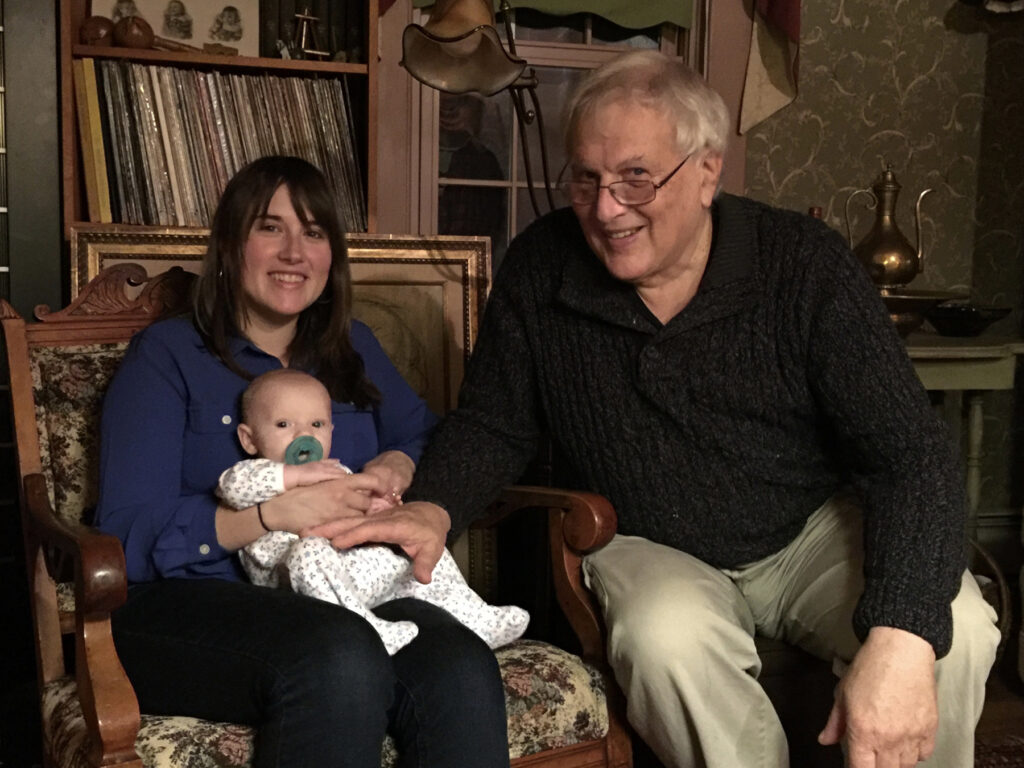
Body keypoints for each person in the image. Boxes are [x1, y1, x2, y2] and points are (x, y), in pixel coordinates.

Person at [313, 51, 1001, 768]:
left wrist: (899, 634)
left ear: (708, 171)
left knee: (952, 625)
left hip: (809, 532)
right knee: (663, 638)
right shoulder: (541, 266)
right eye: (586, 179)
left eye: (635, 177)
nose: (607, 209)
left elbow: (909, 455)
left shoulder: (803, 265)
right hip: (652, 543)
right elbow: (495, 422)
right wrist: (435, 508)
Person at [94, 155, 511, 767]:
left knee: (458, 663)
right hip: (191, 602)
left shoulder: (353, 348)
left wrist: (394, 467)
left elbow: (429, 439)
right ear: (232, 244)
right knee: (340, 655)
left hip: (340, 594)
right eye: (270, 227)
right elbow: (123, 536)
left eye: (314, 232)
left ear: (332, 257)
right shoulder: (166, 355)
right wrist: (270, 515)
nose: (295, 251)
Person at [219, 367, 529, 655]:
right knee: (309, 551)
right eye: (284, 424)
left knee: (417, 537)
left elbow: (361, 503)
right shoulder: (252, 472)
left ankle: (475, 617)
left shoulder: (335, 471)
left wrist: (379, 507)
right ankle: (368, 632)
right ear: (249, 439)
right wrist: (295, 477)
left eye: (317, 424)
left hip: (360, 570)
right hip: (296, 582)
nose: (304, 435)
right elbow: (231, 488)